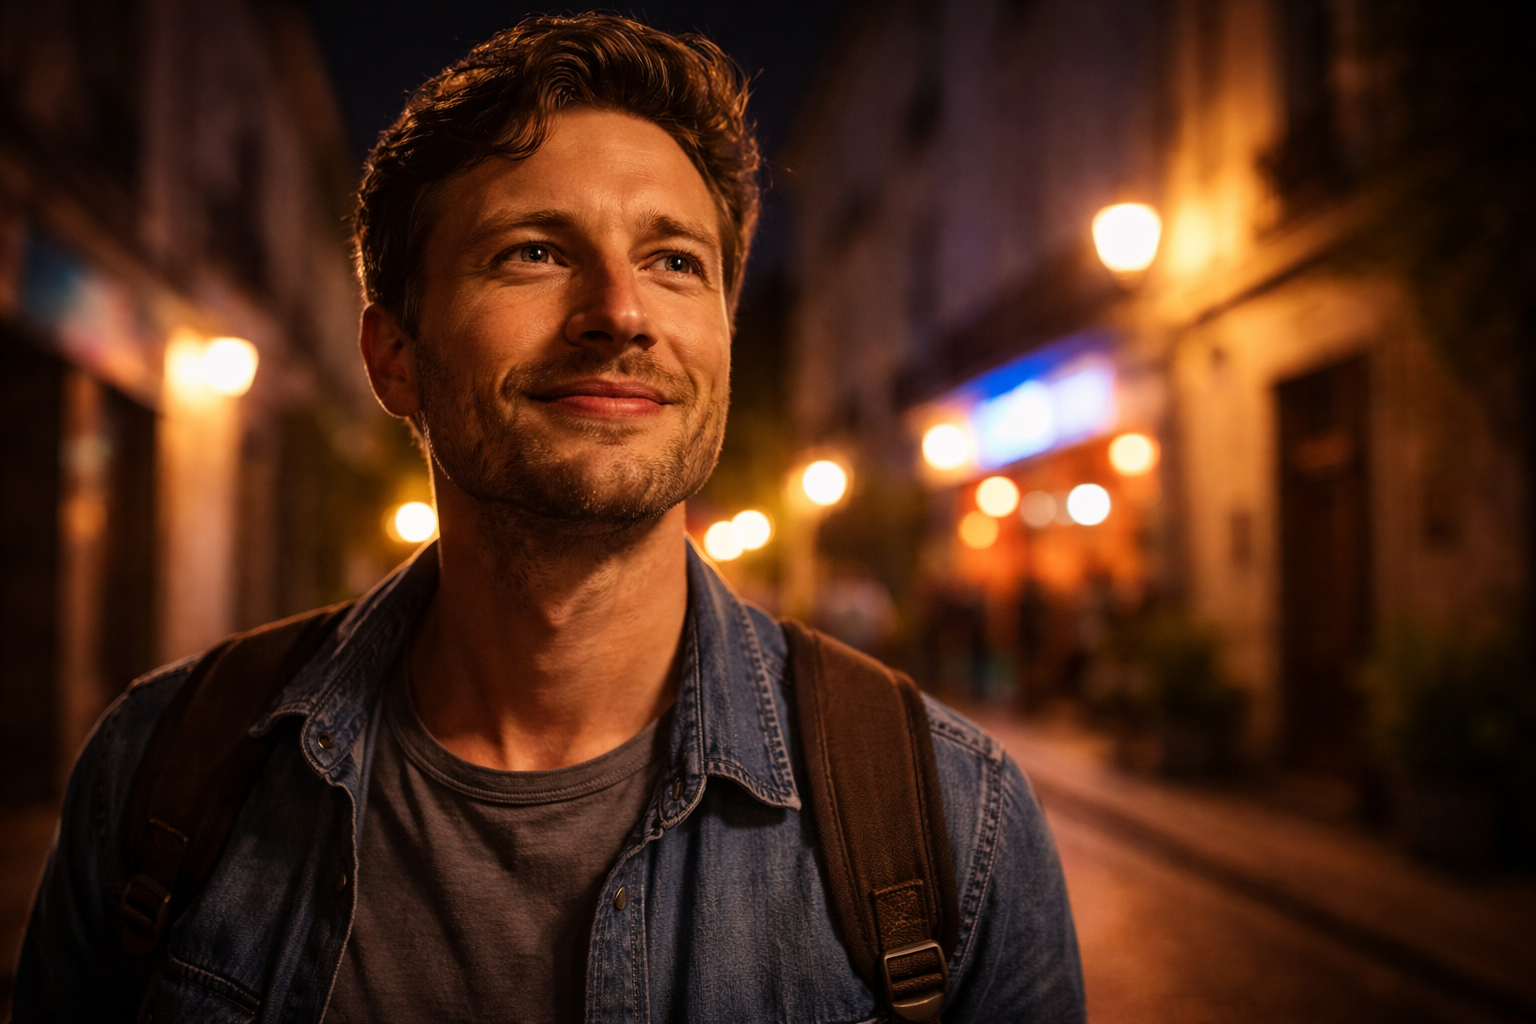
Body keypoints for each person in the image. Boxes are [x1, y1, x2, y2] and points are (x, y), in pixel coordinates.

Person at [15, 15, 1084, 1023]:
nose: (620, 313)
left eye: (675, 262)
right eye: (533, 251)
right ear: (394, 355)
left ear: (723, 336)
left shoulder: (955, 821)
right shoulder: (161, 774)